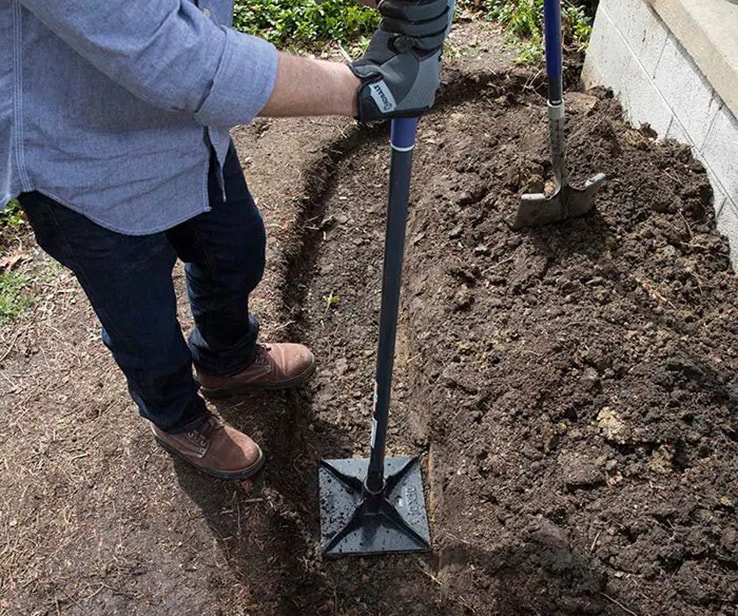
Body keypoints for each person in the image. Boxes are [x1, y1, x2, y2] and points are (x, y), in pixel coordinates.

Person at [0, 0, 450, 480]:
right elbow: (167, 52)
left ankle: (226, 359)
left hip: (188, 133)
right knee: (142, 324)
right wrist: (363, 91)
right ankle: (177, 418)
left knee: (235, 251)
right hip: (82, 164)